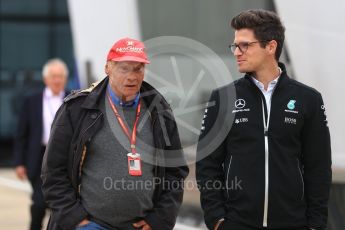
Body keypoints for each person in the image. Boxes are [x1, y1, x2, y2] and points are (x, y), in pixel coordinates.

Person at [196, 9, 331, 230]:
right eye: (235, 46)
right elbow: (207, 164)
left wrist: (316, 224)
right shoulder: (222, 99)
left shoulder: (309, 99)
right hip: (237, 223)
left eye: (245, 45)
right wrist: (217, 219)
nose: (237, 52)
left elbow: (319, 167)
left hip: (293, 223)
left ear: (270, 47)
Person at [41, 37, 189, 230]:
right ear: (108, 68)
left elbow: (175, 172)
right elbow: (53, 171)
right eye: (124, 68)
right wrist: (76, 220)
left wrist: (159, 220)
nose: (132, 76)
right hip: (90, 226)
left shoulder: (159, 111)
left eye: (138, 68)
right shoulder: (77, 109)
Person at [14, 58, 69, 230]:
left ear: (65, 79)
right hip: (38, 157)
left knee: (60, 205)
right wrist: (19, 162)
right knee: (39, 204)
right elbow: (21, 134)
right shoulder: (32, 101)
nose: (57, 80)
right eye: (53, 76)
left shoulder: (73, 98)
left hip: (64, 157)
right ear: (46, 79)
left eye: (60, 76)